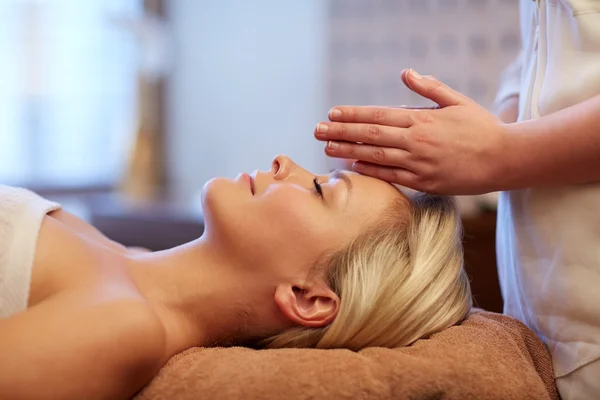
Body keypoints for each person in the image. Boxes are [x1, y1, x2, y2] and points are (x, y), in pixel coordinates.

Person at [0, 155, 471, 400]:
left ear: (307, 297)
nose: (284, 162)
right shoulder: (118, 257)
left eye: (319, 190)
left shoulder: (123, 328)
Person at [313, 2, 600, 398]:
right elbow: (542, 63)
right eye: (320, 187)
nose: (280, 165)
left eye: (320, 190)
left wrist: (500, 154)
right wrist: (443, 141)